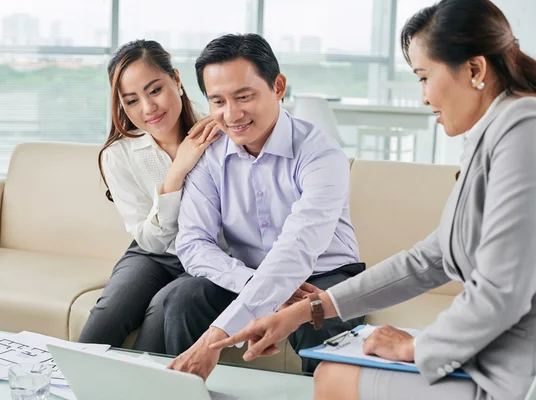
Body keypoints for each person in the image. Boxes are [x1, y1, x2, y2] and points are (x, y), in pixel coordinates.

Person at [210, 1, 536, 399]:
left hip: (500, 369)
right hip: (479, 354)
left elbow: (503, 292)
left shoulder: (522, 131)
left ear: (474, 69)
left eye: (423, 76)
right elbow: (429, 260)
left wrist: (417, 347)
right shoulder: (493, 134)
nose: (423, 97)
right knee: (335, 367)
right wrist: (308, 311)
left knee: (335, 377)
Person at [163, 33, 365, 379]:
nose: (232, 114)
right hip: (246, 272)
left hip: (322, 273)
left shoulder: (320, 153)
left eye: (244, 96)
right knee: (183, 298)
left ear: (278, 86)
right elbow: (193, 243)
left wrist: (220, 331)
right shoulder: (209, 156)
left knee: (317, 318)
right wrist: (254, 283)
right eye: (218, 102)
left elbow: (298, 248)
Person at [78, 39, 221, 353]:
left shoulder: (218, 136)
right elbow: (151, 241)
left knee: (161, 313)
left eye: (154, 90)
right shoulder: (119, 155)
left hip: (207, 259)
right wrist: (176, 173)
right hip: (152, 251)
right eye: (131, 100)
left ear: (177, 79)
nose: (148, 108)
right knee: (107, 317)